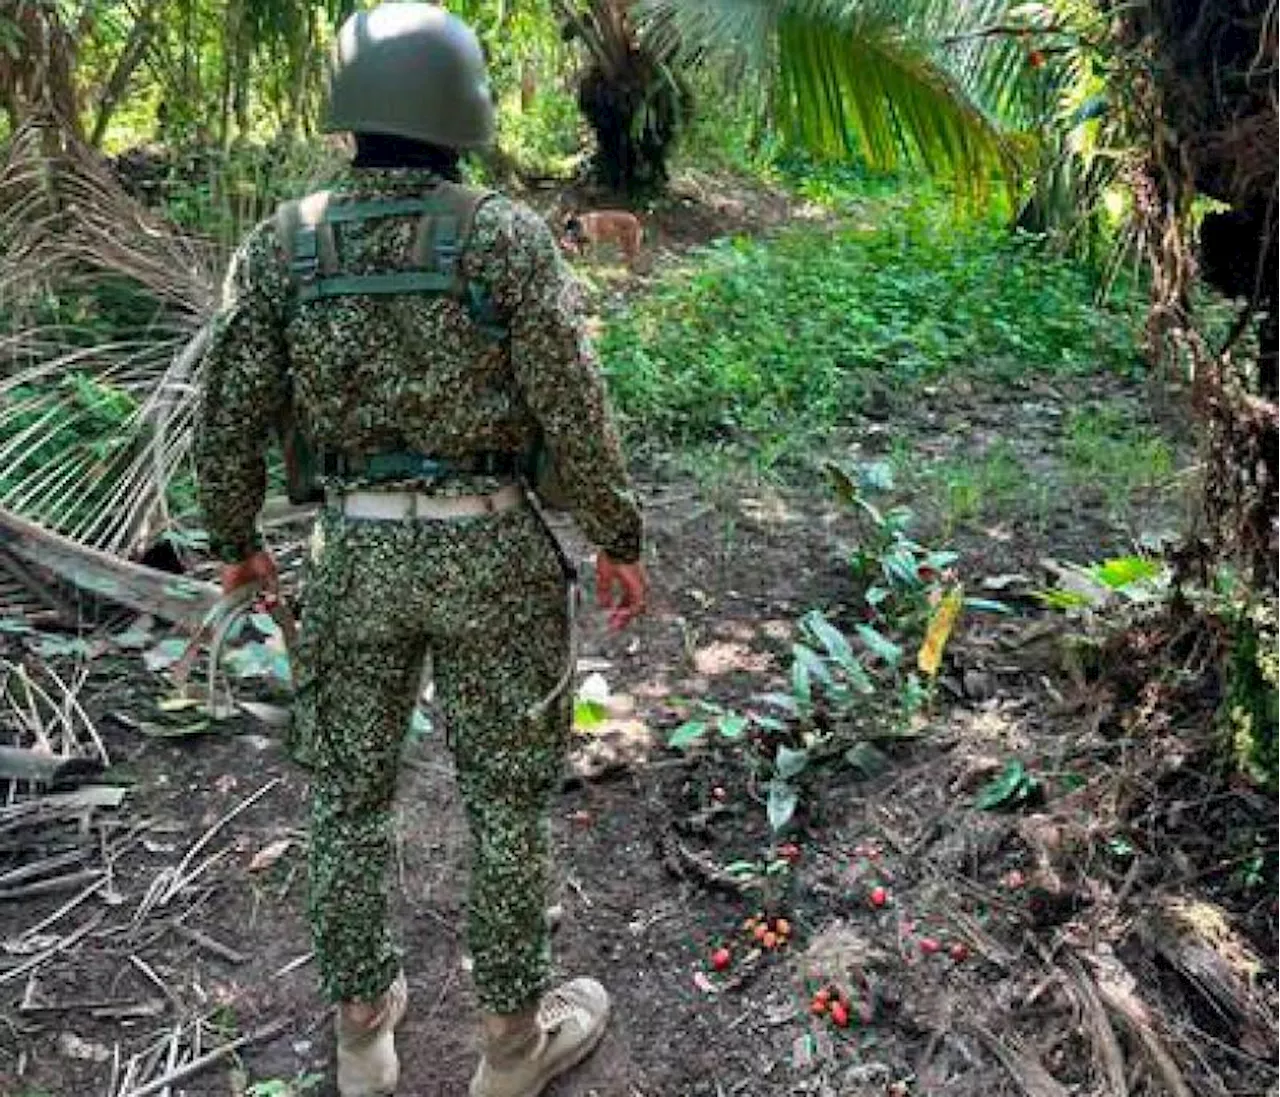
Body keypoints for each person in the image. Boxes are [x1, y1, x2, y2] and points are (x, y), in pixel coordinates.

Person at [192, 5, 649, 1095]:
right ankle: (509, 1045)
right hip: (491, 556)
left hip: (352, 557)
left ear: (350, 114)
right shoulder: (500, 236)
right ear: (462, 112)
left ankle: (362, 1033)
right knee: (505, 799)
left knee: (346, 795)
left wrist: (237, 544)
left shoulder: (284, 243)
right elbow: (572, 409)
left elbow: (228, 414)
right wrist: (615, 536)